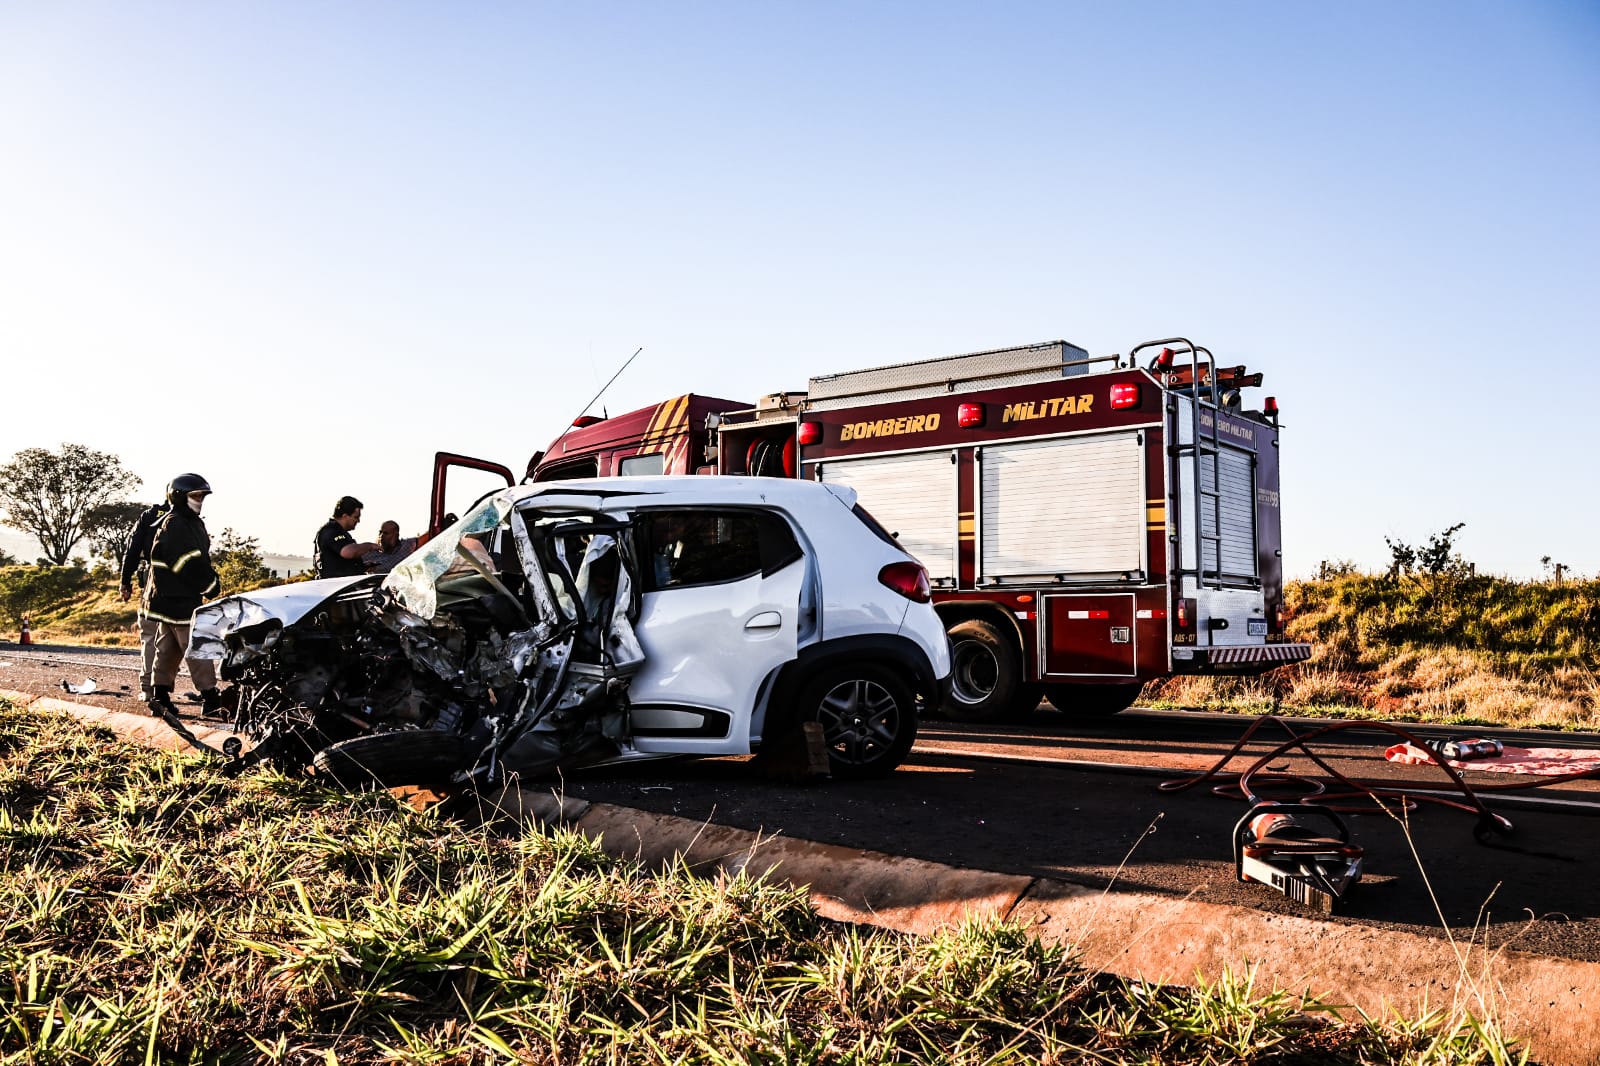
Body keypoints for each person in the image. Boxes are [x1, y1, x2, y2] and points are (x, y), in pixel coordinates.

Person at [144, 473, 222, 716]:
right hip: (179, 599)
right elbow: (187, 563)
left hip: (167, 599)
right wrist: (210, 585)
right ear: (179, 497)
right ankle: (210, 698)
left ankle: (160, 696)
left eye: (202, 496)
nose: (200, 500)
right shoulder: (178, 524)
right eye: (195, 495)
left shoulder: (183, 521)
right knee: (196, 647)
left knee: (167, 648)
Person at [119, 484, 170, 701]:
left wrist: (125, 581)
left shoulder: (150, 515)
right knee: (171, 638)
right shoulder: (188, 520)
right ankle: (161, 689)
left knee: (150, 636)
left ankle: (149, 689)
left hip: (152, 581)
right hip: (179, 586)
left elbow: (132, 550)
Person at [314, 496, 380, 578]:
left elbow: (337, 563)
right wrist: (369, 546)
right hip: (336, 586)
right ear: (345, 516)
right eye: (356, 517)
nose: (358, 521)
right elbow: (348, 552)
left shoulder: (336, 531)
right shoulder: (332, 531)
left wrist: (360, 567)